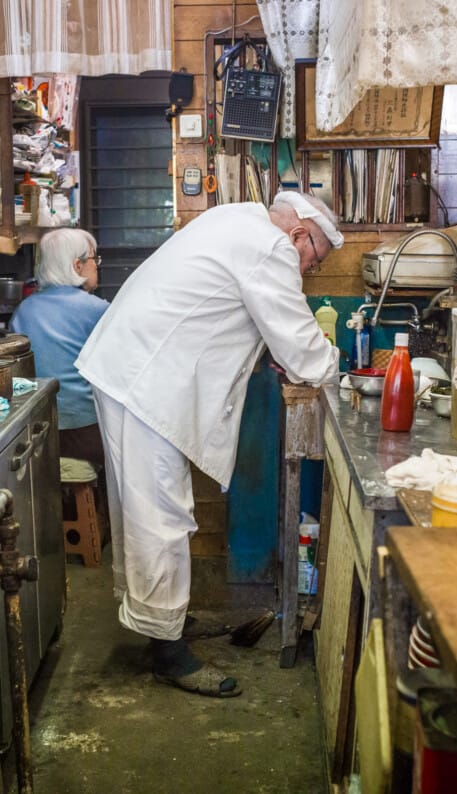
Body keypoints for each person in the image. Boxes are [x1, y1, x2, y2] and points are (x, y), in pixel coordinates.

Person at [75, 192, 342, 698]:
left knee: (145, 510)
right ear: (300, 235)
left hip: (133, 367)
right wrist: (335, 369)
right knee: (161, 516)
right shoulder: (271, 248)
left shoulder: (238, 218)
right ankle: (168, 654)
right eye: (315, 260)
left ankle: (163, 620)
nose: (309, 270)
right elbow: (301, 346)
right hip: (143, 377)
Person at [10, 228, 109, 470]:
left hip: (34, 433)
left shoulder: (24, 309)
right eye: (94, 259)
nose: (97, 266)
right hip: (85, 434)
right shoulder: (98, 310)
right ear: (77, 266)